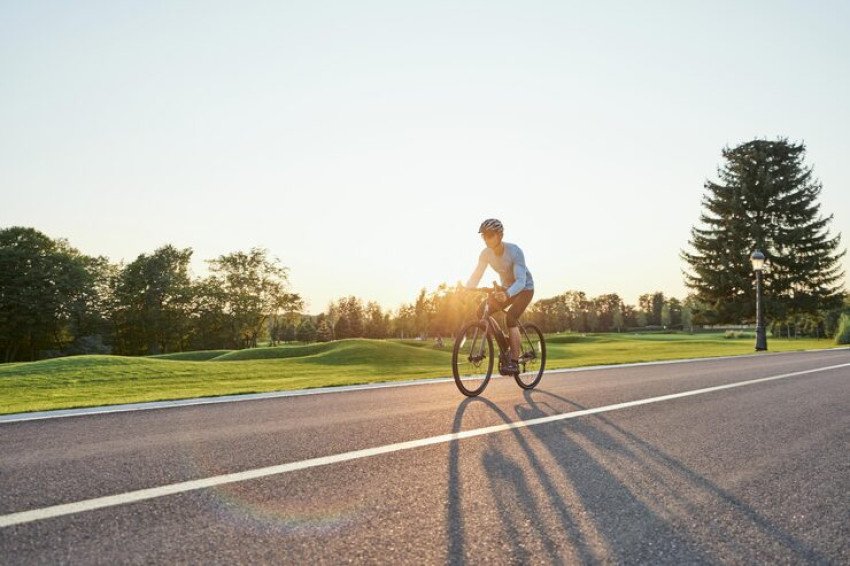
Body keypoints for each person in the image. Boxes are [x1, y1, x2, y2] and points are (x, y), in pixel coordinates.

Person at [465, 218, 535, 373]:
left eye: (490, 235)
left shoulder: (515, 251)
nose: (486, 239)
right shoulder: (485, 254)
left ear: (500, 235)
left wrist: (507, 293)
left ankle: (514, 363)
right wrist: (467, 287)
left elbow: (521, 281)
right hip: (506, 289)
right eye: (484, 236)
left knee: (510, 318)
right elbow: (477, 274)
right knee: (481, 312)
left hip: (524, 289)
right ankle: (504, 343)